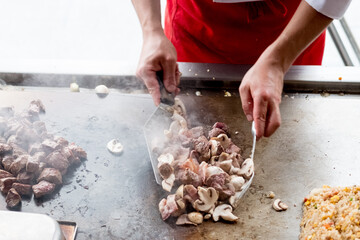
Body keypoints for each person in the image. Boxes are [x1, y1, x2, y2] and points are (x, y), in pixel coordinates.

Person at [131, 0, 351, 139]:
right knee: (185, 135)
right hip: (197, 27)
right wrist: (151, 29)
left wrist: (278, 61)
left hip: (292, 29)